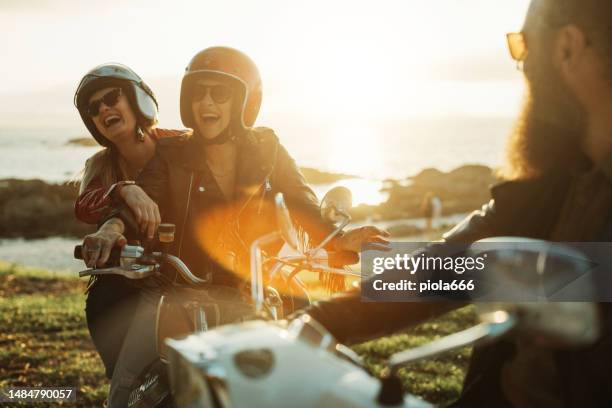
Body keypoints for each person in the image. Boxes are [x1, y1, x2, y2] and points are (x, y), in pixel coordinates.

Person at [295, 0, 612, 406]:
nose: (522, 65)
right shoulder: (553, 187)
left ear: (567, 48)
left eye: (523, 46)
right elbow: (439, 271)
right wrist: (319, 320)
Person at [82, 47, 390, 407]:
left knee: (302, 372)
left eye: (219, 93)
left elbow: (301, 201)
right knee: (124, 393)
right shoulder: (171, 153)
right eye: (198, 93)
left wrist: (335, 238)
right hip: (175, 291)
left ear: (245, 100)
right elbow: (140, 204)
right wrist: (110, 229)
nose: (206, 102)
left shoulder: (267, 148)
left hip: (251, 289)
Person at [73, 63, 188, 382]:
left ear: (139, 99)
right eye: (94, 108)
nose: (104, 109)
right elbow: (84, 206)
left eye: (112, 97)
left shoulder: (182, 145)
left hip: (191, 278)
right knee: (126, 379)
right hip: (125, 285)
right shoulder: (99, 164)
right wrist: (124, 189)